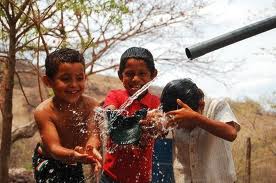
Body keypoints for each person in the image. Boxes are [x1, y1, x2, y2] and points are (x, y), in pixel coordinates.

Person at [32, 48, 102, 183]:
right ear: (48, 81)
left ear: (85, 78)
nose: (74, 85)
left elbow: (94, 134)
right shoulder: (44, 111)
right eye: (65, 79)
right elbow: (53, 148)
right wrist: (73, 155)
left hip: (77, 158)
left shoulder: (92, 106)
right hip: (48, 161)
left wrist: (90, 149)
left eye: (79, 78)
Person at [161, 78, 240, 183]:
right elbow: (160, 133)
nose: (178, 127)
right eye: (175, 122)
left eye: (182, 121)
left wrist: (196, 118)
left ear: (201, 106)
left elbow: (231, 133)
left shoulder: (216, 106)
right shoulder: (171, 114)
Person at [100, 47, 160, 183]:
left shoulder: (155, 103)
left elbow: (161, 127)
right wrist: (139, 120)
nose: (135, 79)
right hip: (111, 177)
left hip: (142, 179)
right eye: (129, 74)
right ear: (120, 75)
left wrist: (157, 124)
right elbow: (111, 114)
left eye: (142, 74)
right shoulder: (115, 96)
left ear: (153, 75)